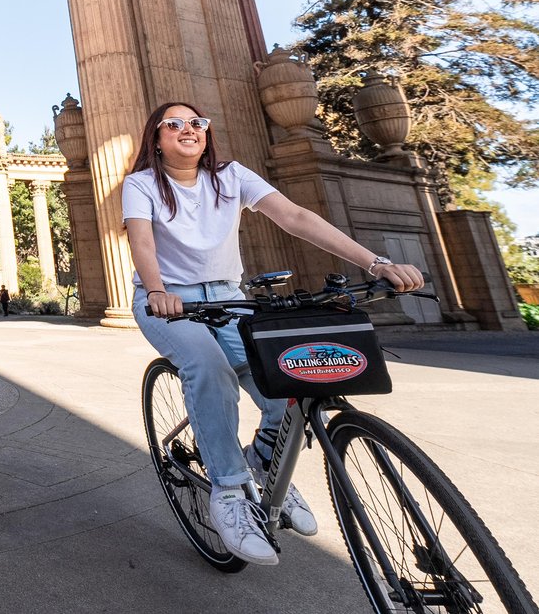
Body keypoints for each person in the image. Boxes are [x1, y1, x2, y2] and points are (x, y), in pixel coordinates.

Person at [123, 101, 424, 567]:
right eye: (174, 124)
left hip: (227, 295)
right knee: (209, 368)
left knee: (287, 379)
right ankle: (227, 489)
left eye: (197, 122)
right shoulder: (141, 184)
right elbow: (141, 239)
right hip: (170, 299)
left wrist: (375, 262)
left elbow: (296, 217)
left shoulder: (231, 176)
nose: (189, 129)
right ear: (156, 138)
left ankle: (264, 461)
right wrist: (158, 288)